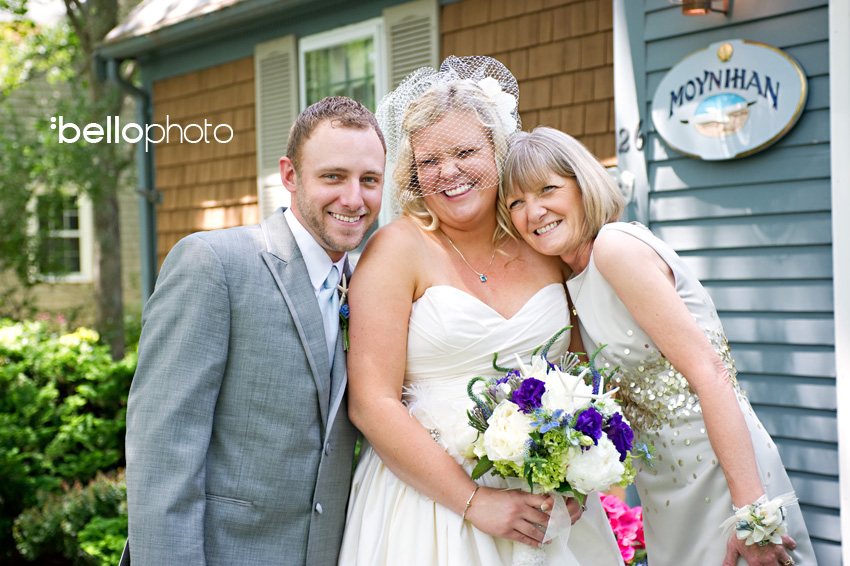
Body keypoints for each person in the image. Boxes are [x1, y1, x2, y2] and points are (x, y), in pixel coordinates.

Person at [338, 56, 623, 566]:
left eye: (466, 151)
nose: (448, 172)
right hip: (430, 511)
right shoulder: (395, 250)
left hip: (549, 508)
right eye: (430, 161)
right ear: (413, 172)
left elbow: (582, 366)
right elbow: (371, 403)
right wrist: (476, 503)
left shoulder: (542, 242)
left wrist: (578, 471)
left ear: (498, 150)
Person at [502, 126, 818, 566]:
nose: (534, 211)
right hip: (664, 491)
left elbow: (710, 372)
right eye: (516, 202)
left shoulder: (615, 248)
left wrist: (752, 516)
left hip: (721, 477)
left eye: (547, 189)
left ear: (582, 186)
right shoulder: (569, 281)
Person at [122, 96, 386, 566]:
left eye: (369, 180)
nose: (354, 198)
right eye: (333, 177)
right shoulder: (214, 264)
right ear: (289, 176)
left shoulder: (370, 285)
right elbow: (163, 453)